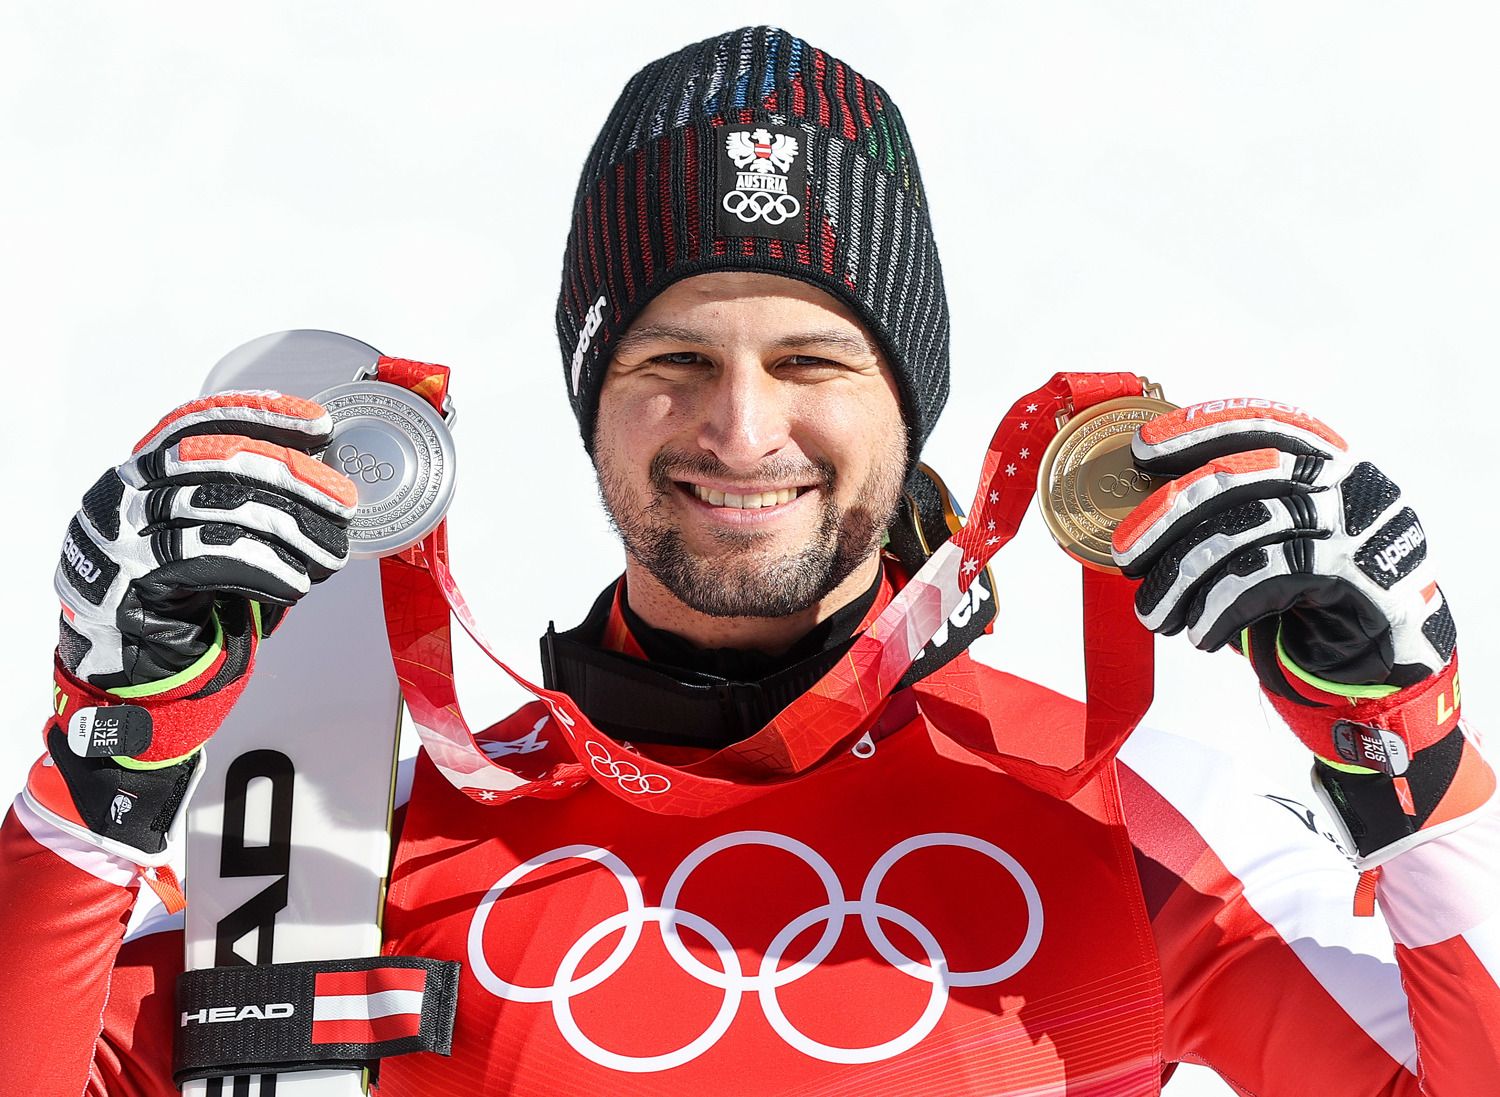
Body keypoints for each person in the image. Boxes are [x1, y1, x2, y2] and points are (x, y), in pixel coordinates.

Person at [1, 25, 1495, 1096]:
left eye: (811, 358)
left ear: (909, 408)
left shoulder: (1133, 812)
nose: (739, 426)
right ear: (592, 398)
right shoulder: (357, 839)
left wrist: (1409, 759)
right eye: (669, 356)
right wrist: (98, 769)